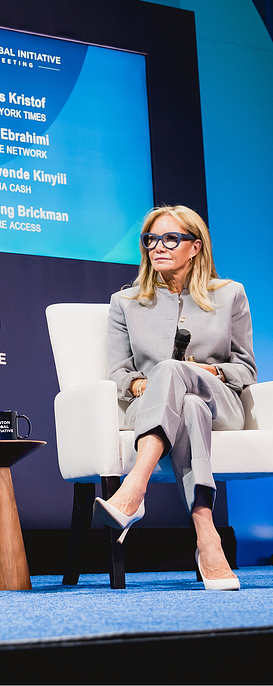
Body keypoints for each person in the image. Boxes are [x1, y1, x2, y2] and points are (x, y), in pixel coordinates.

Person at [97, 205, 255, 590]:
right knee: (186, 402)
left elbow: (246, 369)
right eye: (150, 240)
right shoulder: (126, 302)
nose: (158, 247)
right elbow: (118, 372)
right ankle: (206, 532)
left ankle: (134, 488)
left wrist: (206, 372)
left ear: (195, 247)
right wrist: (140, 387)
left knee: (175, 373)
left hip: (222, 402)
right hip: (155, 404)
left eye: (171, 239)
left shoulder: (230, 294)